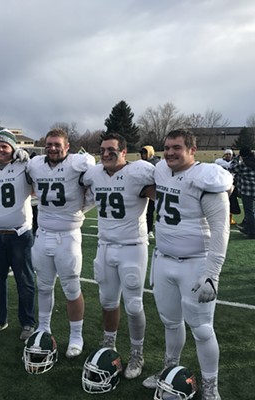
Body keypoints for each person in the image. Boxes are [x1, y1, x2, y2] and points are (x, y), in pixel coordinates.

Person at [142, 129, 233, 399]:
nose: (170, 152)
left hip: (195, 264)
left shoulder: (207, 177)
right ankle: (170, 370)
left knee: (203, 330)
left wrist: (212, 274)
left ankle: (210, 387)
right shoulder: (161, 169)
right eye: (167, 147)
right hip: (164, 260)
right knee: (170, 322)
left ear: (192, 150)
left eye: (177, 147)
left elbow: (221, 231)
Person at [82, 132, 155, 379]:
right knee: (107, 302)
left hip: (132, 246)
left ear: (124, 152)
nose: (105, 154)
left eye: (111, 150)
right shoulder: (95, 173)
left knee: (134, 305)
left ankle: (137, 353)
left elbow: (167, 189)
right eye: (102, 149)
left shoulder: (139, 173)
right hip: (104, 246)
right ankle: (109, 344)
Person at [26, 128, 95, 358]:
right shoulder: (35, 164)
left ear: (67, 147)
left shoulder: (79, 163)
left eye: (57, 144)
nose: (53, 148)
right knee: (43, 286)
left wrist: (81, 210)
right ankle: (43, 327)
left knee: (71, 288)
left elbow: (94, 183)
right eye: (49, 144)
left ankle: (77, 335)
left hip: (68, 235)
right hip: (43, 233)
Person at [0, 129, 36, 341]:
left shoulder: (25, 164)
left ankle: (28, 323)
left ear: (13, 148)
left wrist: (28, 155)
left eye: (5, 146)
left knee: (25, 282)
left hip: (20, 234)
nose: (0, 149)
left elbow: (46, 167)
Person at [229, 146, 255, 238]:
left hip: (248, 191)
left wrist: (235, 159)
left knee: (249, 212)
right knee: (252, 211)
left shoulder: (244, 164)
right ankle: (247, 227)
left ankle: (252, 232)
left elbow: (232, 169)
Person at [139, 145, 160, 239]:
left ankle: (157, 228)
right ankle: (149, 229)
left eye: (144, 153)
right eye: (142, 153)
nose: (143, 155)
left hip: (155, 189)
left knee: (159, 210)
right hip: (144, 189)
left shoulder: (157, 163)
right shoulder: (141, 163)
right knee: (148, 211)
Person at [215, 149, 240, 224]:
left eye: (230, 154)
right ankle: (221, 218)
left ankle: (230, 218)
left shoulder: (235, 163)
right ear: (224, 155)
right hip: (222, 184)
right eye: (227, 154)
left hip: (232, 184)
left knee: (232, 202)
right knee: (222, 201)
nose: (228, 155)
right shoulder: (219, 162)